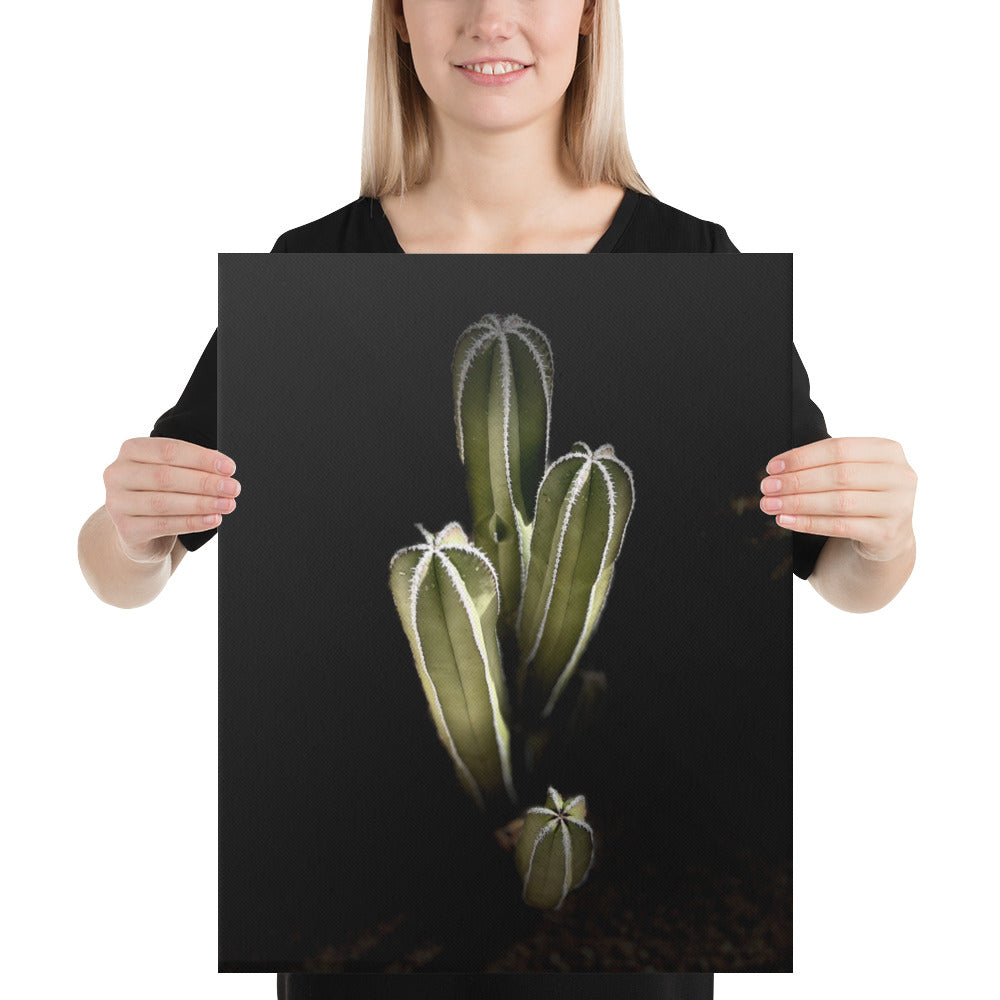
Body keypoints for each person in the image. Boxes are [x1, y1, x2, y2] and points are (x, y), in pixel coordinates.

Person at [77, 1, 918, 997]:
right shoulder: (306, 275)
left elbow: (840, 574)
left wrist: (884, 531)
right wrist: (131, 532)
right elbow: (122, 567)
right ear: (396, 20)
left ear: (591, 19)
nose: (492, 19)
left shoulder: (697, 270)